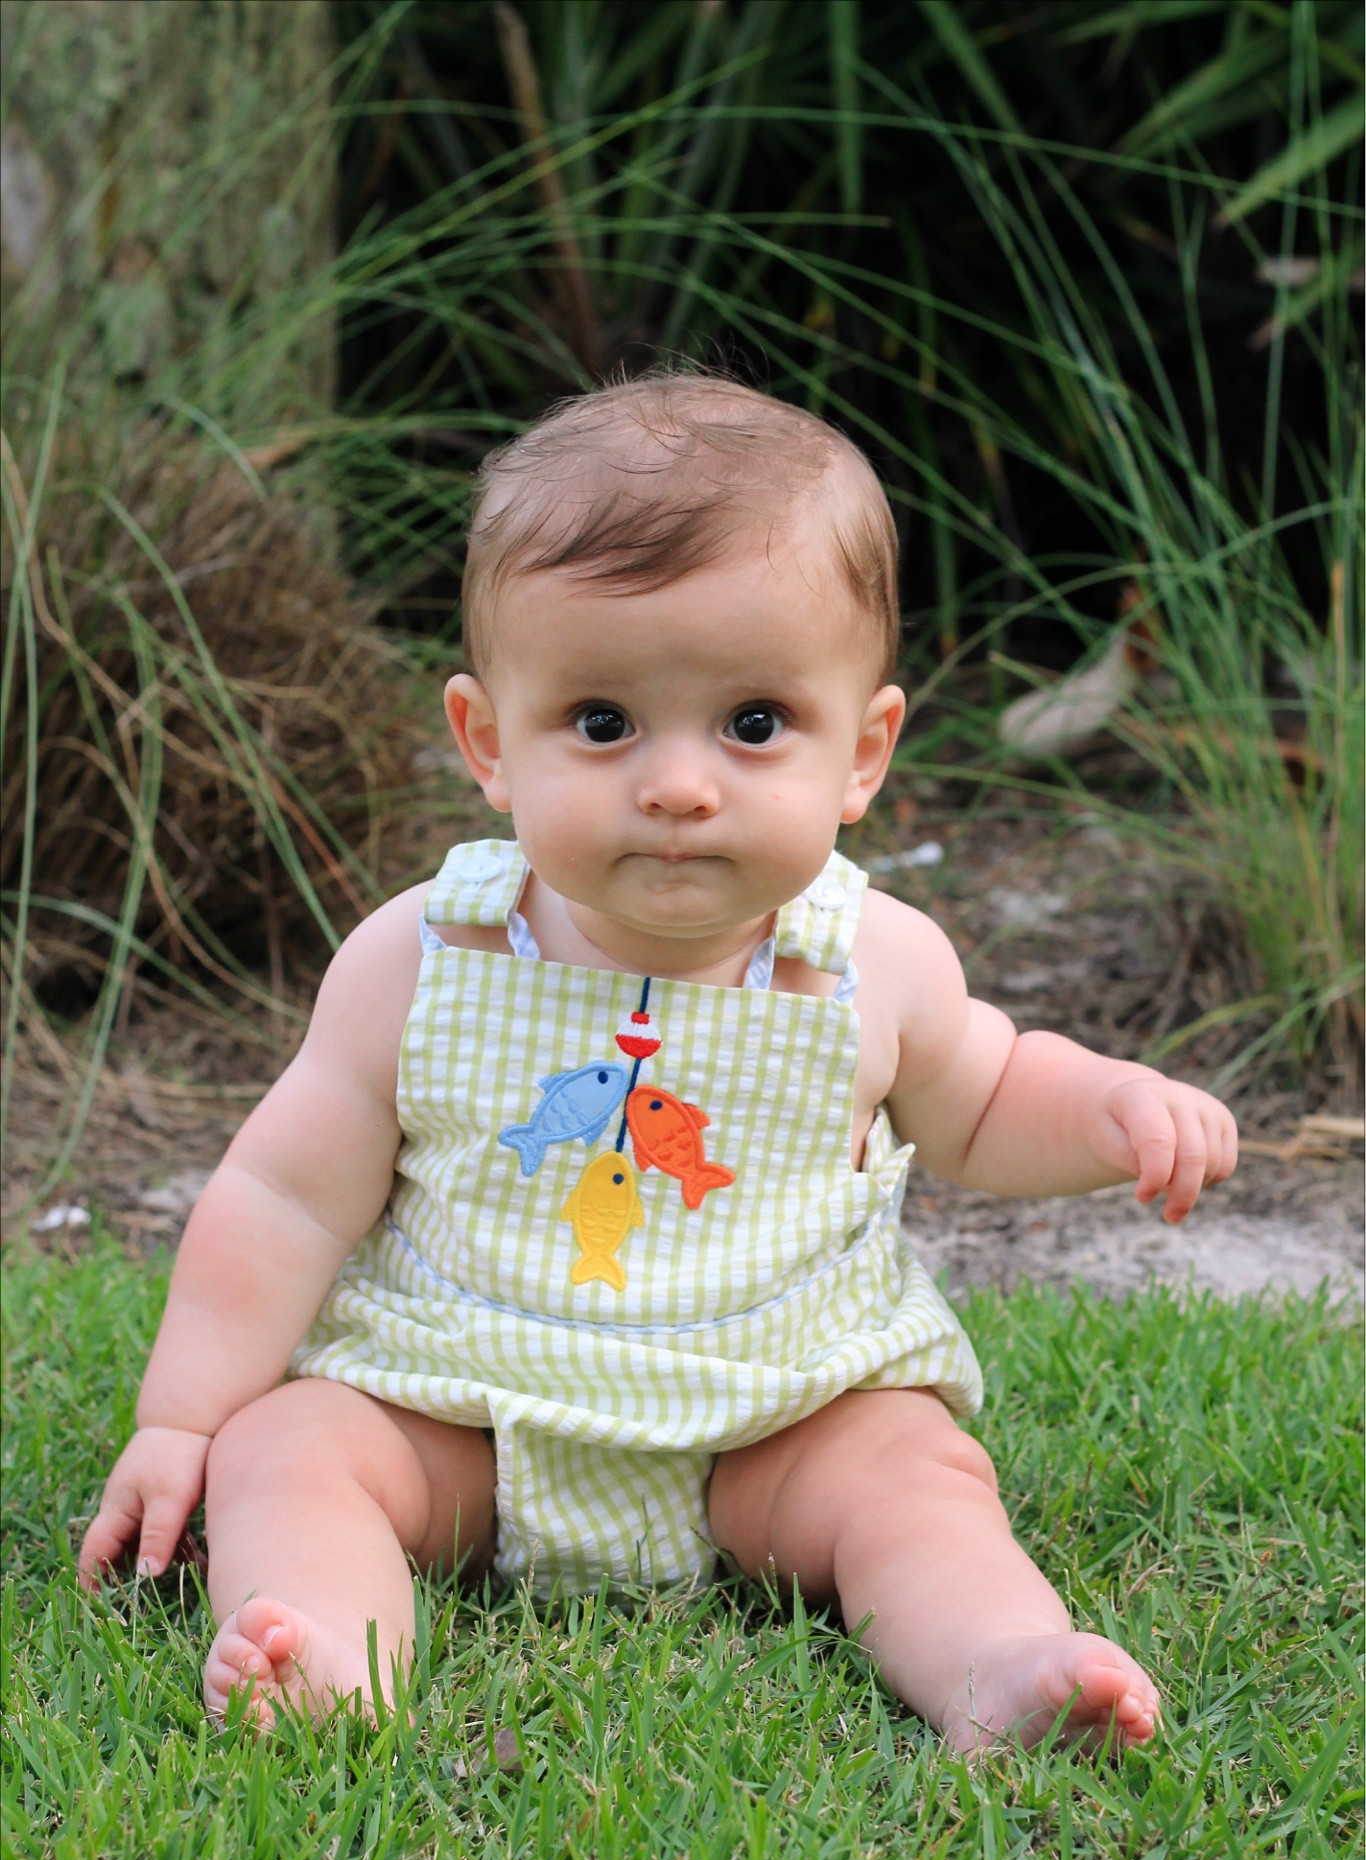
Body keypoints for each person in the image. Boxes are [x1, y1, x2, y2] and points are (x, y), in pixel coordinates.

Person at [79, 373, 1236, 1750]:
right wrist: (183, 1419)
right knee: (291, 1449)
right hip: (458, 1408)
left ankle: (993, 1660)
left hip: (778, 1419)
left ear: (861, 753)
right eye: (604, 721)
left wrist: (1109, 1108)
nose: (678, 785)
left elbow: (983, 1103)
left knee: (916, 1477)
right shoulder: (422, 957)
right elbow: (282, 1197)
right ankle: (328, 1645)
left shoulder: (872, 959)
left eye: (752, 725)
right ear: (487, 741)